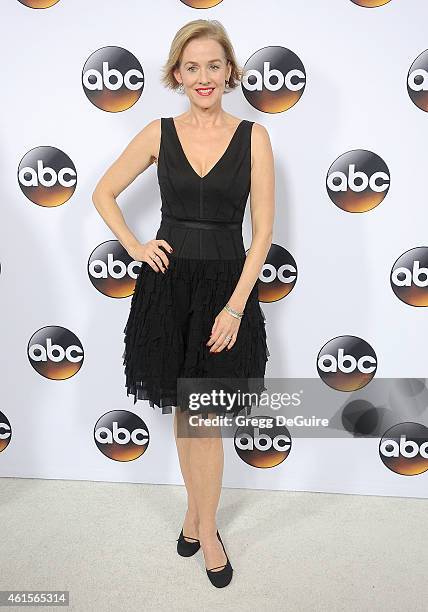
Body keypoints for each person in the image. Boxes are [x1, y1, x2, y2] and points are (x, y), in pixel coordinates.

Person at [92, 19, 274, 588]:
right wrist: (136, 246)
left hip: (226, 291)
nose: (203, 77)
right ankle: (200, 521)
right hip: (167, 289)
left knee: (207, 419)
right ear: (177, 73)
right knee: (184, 411)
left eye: (213, 66)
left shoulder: (254, 137)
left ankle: (204, 524)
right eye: (191, 67)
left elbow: (263, 232)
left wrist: (236, 307)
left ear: (230, 72)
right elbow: (103, 192)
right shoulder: (157, 132)